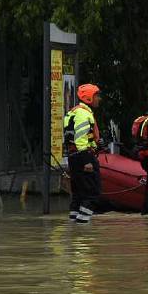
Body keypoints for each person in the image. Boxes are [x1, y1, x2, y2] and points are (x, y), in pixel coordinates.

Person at [63, 83, 103, 223]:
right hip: (83, 157)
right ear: (88, 98)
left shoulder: (73, 112)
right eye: (96, 96)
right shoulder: (83, 114)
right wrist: (87, 160)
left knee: (78, 195)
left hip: (74, 157)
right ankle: (82, 229)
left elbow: (76, 137)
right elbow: (80, 139)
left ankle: (74, 226)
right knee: (93, 194)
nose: (99, 99)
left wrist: (95, 144)